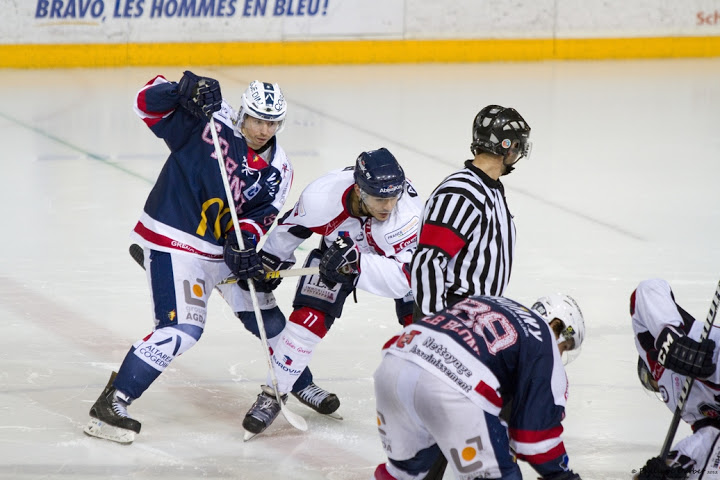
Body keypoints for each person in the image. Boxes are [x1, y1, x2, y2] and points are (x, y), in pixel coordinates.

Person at [83, 71, 293, 444]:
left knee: (266, 317)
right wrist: (183, 89)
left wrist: (244, 243)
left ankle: (300, 383)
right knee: (182, 330)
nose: (264, 129)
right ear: (243, 112)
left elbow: (260, 216)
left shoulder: (280, 169)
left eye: (273, 122)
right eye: (258, 119)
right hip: (175, 239)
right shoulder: (209, 121)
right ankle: (113, 402)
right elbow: (145, 103)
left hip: (221, 254)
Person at [240, 147, 424, 436]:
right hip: (337, 254)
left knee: (422, 328)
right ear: (359, 190)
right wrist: (272, 259)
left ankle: (428, 399)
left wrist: (356, 263)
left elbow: (406, 278)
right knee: (306, 322)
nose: (388, 206)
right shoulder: (321, 198)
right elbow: (294, 225)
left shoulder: (405, 215)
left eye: (392, 197)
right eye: (379, 198)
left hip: (400, 263)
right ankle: (273, 394)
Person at [372, 293, 586, 480]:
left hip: (395, 363)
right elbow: (534, 439)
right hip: (451, 384)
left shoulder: (490, 301)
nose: (560, 355)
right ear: (560, 329)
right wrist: (562, 474)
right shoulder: (544, 339)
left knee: (406, 472)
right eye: (565, 347)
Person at [410, 104, 532, 320]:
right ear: (507, 146)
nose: (519, 152)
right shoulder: (462, 192)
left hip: (475, 319)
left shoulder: (489, 189)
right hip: (454, 320)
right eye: (517, 144)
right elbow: (428, 261)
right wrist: (436, 326)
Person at [630, 278, 719, 480]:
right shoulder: (680, 405)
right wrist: (673, 463)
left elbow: (647, 289)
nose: (654, 385)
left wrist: (672, 341)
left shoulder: (654, 348)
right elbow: (709, 435)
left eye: (647, 379)